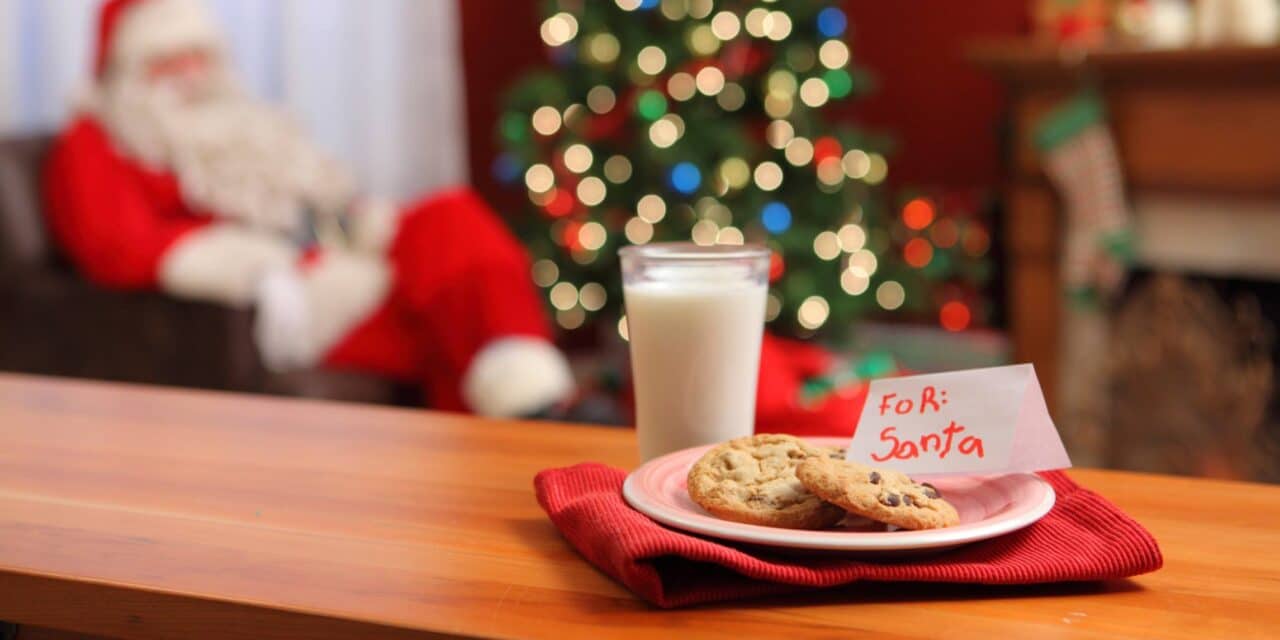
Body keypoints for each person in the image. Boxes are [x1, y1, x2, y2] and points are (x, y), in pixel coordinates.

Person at [43, 0, 574, 417]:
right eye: (168, 60)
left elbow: (323, 199)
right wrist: (257, 268)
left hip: (342, 258)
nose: (191, 73)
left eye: (200, 55)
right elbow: (113, 246)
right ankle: (536, 410)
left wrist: (362, 223)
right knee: (452, 314)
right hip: (298, 298)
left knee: (447, 217)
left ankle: (527, 403)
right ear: (129, 71)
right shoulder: (98, 141)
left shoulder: (245, 125)